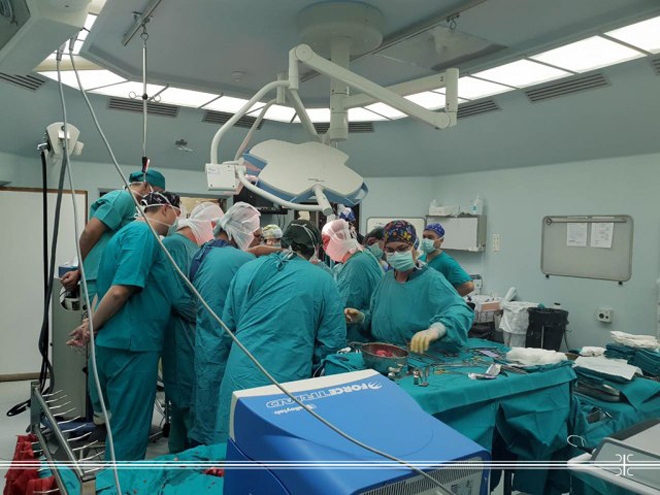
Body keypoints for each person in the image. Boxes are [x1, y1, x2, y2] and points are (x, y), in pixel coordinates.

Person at [67, 191, 183, 461]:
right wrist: (91, 326)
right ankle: (120, 481)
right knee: (129, 432)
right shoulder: (143, 235)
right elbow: (119, 291)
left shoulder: (120, 236)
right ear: (166, 209)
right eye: (177, 214)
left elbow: (103, 290)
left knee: (120, 426)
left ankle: (113, 476)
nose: (177, 221)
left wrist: (89, 325)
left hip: (116, 343)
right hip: (133, 346)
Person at [215, 219, 346, 441]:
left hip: (240, 374)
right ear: (315, 248)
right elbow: (331, 344)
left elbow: (227, 327)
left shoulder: (247, 269)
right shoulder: (322, 280)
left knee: (233, 450)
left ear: (283, 241)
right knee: (275, 450)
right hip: (285, 380)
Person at [188, 202, 260, 446]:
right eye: (253, 234)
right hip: (225, 347)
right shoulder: (242, 260)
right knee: (222, 414)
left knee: (204, 404)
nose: (253, 239)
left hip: (205, 342)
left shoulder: (204, 252)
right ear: (240, 230)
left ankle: (203, 451)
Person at [345, 220, 473, 353]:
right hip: (384, 354)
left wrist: (436, 330)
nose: (396, 254)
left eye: (402, 249)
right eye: (390, 250)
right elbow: (379, 317)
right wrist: (362, 318)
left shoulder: (431, 279)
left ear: (414, 247)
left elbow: (460, 311)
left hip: (419, 357)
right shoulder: (387, 279)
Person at [161, 202, 223, 453]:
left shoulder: (194, 247)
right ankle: (187, 460)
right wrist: (208, 317)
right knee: (184, 400)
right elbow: (178, 297)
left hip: (193, 332)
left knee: (187, 404)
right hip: (181, 333)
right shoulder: (174, 245)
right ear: (210, 225)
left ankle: (180, 458)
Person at [60, 169, 166, 303]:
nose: (158, 198)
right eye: (158, 192)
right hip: (98, 275)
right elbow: (89, 232)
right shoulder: (123, 198)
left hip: (111, 275)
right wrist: (80, 270)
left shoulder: (135, 207)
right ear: (145, 185)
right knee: (96, 316)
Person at [322, 219, 383, 343]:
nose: (324, 247)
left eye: (326, 241)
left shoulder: (356, 264)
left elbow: (345, 308)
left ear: (339, 238)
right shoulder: (362, 256)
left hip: (359, 338)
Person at [420, 223, 475, 296]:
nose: (426, 240)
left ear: (441, 240)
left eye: (430, 237)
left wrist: (447, 299)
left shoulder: (446, 262)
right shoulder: (421, 259)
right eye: (424, 237)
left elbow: (469, 286)